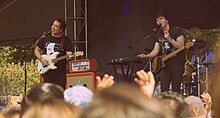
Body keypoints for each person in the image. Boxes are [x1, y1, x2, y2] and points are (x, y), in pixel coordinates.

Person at [138, 13, 185, 93]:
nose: (159, 21)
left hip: (177, 64)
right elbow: (155, 51)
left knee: (175, 90)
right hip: (165, 65)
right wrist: (146, 56)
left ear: (167, 20)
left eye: (161, 19)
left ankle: (176, 105)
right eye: (157, 20)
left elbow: (181, 45)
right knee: (164, 90)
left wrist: (169, 39)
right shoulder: (159, 33)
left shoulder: (176, 30)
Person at [34, 18, 73, 89]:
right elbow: (37, 50)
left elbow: (69, 54)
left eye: (56, 26)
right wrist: (41, 59)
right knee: (48, 93)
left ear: (61, 30)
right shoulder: (45, 37)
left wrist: (69, 57)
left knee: (59, 93)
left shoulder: (66, 40)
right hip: (47, 71)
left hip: (60, 73)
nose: (53, 27)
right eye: (53, 25)